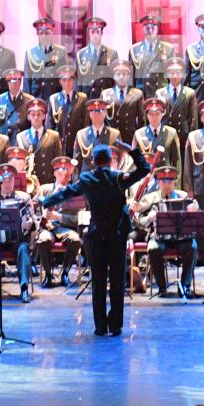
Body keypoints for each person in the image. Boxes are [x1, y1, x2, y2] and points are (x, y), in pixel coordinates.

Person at [40, 141, 151, 336]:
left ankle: (100, 326)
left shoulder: (87, 178)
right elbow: (144, 169)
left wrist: (46, 201)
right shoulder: (118, 178)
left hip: (97, 235)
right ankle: (115, 325)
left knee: (98, 281)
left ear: (93, 161)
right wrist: (129, 150)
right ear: (110, 160)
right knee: (117, 281)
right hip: (117, 235)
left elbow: (66, 193)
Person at [134, 165, 201, 297]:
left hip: (180, 238)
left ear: (175, 181)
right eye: (163, 181)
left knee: (192, 246)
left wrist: (195, 209)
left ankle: (185, 286)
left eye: (170, 181)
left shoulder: (183, 196)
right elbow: (138, 221)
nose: (167, 184)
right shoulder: (150, 198)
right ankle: (162, 287)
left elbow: (196, 217)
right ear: (158, 182)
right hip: (159, 237)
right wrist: (149, 219)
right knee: (153, 248)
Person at [0, 164, 35, 301]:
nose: (7, 184)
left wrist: (30, 225)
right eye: (4, 181)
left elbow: (34, 221)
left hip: (16, 240)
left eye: (10, 180)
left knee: (23, 248)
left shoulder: (23, 198)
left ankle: (24, 289)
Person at [34, 156, 84, 286]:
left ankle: (65, 273)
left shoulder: (74, 192)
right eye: (59, 172)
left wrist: (59, 217)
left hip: (65, 228)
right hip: (48, 227)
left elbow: (78, 219)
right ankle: (48, 274)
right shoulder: (45, 189)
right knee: (43, 240)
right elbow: (34, 209)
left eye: (65, 172)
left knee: (76, 240)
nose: (62, 175)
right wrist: (42, 214)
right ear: (54, 173)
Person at [133, 95, 184, 179]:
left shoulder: (171, 133)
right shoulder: (139, 134)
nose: (154, 117)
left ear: (162, 114)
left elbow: (176, 162)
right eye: (151, 114)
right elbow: (135, 162)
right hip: (146, 180)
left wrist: (176, 184)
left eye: (157, 113)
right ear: (146, 115)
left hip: (165, 179)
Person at [9, 99, 63, 171]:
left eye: (39, 114)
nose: (36, 117)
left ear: (44, 116)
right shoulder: (21, 137)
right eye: (33, 114)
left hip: (47, 180)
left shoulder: (53, 136)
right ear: (28, 117)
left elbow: (58, 162)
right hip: (29, 180)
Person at [96, 58, 144, 138]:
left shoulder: (137, 94)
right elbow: (101, 120)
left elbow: (141, 121)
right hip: (111, 139)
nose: (121, 77)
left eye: (125, 74)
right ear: (113, 76)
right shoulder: (105, 94)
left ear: (129, 76)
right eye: (118, 74)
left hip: (130, 139)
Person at [70, 99, 122, 171]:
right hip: (87, 180)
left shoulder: (114, 134)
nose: (96, 114)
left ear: (105, 113)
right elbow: (76, 164)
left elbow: (120, 161)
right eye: (93, 111)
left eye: (99, 111)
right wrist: (77, 182)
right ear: (89, 114)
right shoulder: (81, 135)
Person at [23, 17, 68, 99]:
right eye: (41, 33)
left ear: (51, 33)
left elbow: (65, 77)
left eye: (47, 33)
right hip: (36, 97)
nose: (44, 36)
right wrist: (27, 102)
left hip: (55, 97)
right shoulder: (30, 53)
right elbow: (27, 80)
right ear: (37, 34)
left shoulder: (60, 51)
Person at [73, 16, 118, 94]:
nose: (95, 35)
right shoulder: (81, 54)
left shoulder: (112, 53)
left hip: (104, 97)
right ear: (89, 33)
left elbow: (115, 79)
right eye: (92, 32)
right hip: (87, 97)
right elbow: (78, 81)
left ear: (102, 33)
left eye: (98, 32)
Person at [154, 59, 198, 135]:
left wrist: (192, 138)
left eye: (178, 73)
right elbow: (156, 118)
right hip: (165, 135)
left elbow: (193, 119)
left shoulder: (189, 93)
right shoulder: (160, 93)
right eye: (172, 73)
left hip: (183, 135)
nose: (175, 76)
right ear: (167, 74)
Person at [130, 12, 174, 85]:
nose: (150, 30)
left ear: (158, 28)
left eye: (153, 27)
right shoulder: (134, 50)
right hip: (142, 93)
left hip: (161, 92)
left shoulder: (168, 49)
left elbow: (172, 75)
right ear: (142, 28)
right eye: (147, 27)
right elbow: (131, 78)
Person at [44, 65, 88, 139]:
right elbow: (49, 126)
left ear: (74, 81)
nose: (67, 83)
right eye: (64, 80)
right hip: (58, 143)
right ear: (60, 81)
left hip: (76, 141)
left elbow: (86, 123)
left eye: (70, 79)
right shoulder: (53, 99)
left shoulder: (82, 98)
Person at [0, 67, 36, 138]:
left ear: (20, 82)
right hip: (4, 142)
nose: (14, 85)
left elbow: (33, 126)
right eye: (11, 82)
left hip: (21, 141)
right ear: (7, 83)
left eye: (16, 81)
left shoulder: (29, 100)